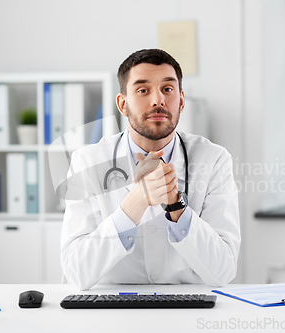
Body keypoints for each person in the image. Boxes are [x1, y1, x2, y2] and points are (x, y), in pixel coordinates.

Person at [61, 49, 240, 290]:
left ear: (182, 100)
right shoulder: (88, 162)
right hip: (111, 312)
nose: (158, 100)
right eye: (143, 90)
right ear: (123, 104)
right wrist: (134, 204)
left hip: (187, 311)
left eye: (167, 89)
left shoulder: (214, 159)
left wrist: (176, 205)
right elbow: (76, 271)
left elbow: (223, 271)